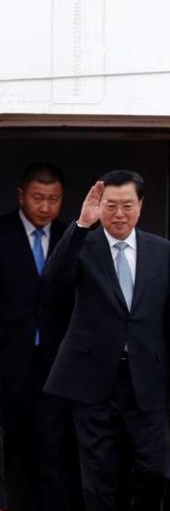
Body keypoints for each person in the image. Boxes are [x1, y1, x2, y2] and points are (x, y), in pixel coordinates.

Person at [43, 170, 170, 511]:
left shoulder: (163, 251)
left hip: (147, 379)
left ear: (140, 206)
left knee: (157, 469)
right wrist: (82, 224)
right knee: (98, 476)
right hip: (92, 380)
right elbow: (54, 275)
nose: (118, 214)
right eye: (110, 205)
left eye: (127, 205)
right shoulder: (84, 245)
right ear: (100, 207)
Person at [0, 162, 79, 511]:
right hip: (4, 366)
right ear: (21, 195)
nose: (45, 207)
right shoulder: (0, 234)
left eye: (54, 199)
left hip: (54, 370)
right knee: (4, 451)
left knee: (52, 453)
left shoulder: (71, 239)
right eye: (37, 198)